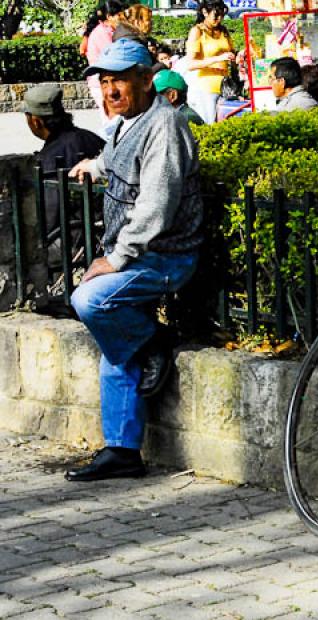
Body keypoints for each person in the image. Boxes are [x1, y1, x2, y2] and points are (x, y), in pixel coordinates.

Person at [66, 39, 203, 482]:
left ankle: (153, 342)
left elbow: (157, 206)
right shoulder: (127, 123)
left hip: (166, 257)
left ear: (147, 79)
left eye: (120, 80)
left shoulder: (164, 125)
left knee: (92, 301)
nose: (110, 90)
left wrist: (115, 257)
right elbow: (117, 160)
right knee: (114, 340)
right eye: (105, 81)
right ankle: (122, 450)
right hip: (141, 255)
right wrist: (93, 165)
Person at [22, 85, 105, 253]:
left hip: (72, 241)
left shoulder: (47, 158)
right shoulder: (91, 138)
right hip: (102, 230)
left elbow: (49, 218)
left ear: (36, 121)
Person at [185, 0, 235, 124]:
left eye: (222, 16)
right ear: (205, 12)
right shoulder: (197, 31)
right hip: (206, 89)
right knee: (210, 124)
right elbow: (190, 64)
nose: (219, 19)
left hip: (225, 86)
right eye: (216, 16)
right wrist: (217, 59)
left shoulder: (223, 30)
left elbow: (232, 53)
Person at [86, 0, 130, 127]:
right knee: (112, 121)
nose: (122, 19)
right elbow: (114, 56)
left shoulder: (110, 31)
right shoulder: (101, 33)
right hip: (101, 82)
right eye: (119, 15)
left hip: (109, 80)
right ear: (109, 16)